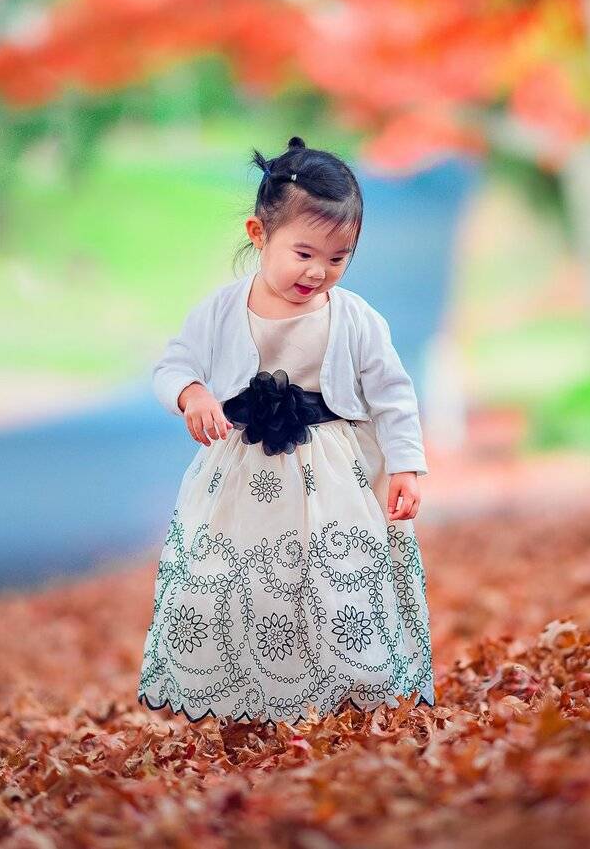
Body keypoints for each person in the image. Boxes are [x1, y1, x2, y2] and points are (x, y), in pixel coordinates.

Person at [136, 136, 436, 759]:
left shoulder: (355, 319)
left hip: (331, 479)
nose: (317, 272)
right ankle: (249, 707)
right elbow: (174, 363)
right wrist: (193, 395)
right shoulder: (221, 310)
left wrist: (405, 464)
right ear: (258, 233)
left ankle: (342, 704)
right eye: (303, 253)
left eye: (338, 258)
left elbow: (393, 394)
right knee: (242, 580)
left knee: (331, 581)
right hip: (243, 476)